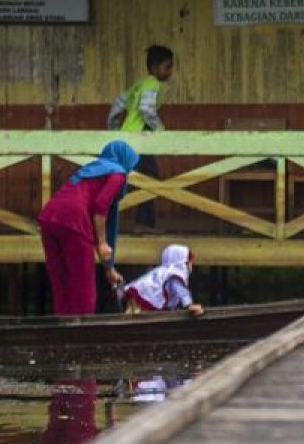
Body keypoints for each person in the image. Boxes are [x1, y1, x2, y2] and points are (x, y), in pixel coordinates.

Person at [38, 140, 139, 315]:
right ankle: (82, 332)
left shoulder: (91, 170)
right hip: (74, 221)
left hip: (49, 217)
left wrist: (109, 268)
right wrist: (101, 243)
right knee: (83, 285)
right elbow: (100, 207)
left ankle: (62, 329)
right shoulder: (118, 173)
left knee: (61, 281)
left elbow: (108, 223)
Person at [107, 45, 174, 232]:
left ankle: (140, 223)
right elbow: (146, 109)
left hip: (127, 138)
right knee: (146, 181)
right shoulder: (153, 84)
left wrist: (114, 129)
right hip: (140, 141)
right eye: (167, 67)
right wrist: (160, 130)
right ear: (154, 68)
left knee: (130, 180)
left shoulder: (138, 84)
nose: (170, 72)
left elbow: (117, 106)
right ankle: (138, 222)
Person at [120, 243, 204, 316]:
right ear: (182, 263)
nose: (191, 265)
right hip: (149, 298)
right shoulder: (174, 274)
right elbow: (180, 290)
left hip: (140, 294)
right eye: (189, 262)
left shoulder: (162, 272)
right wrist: (189, 304)